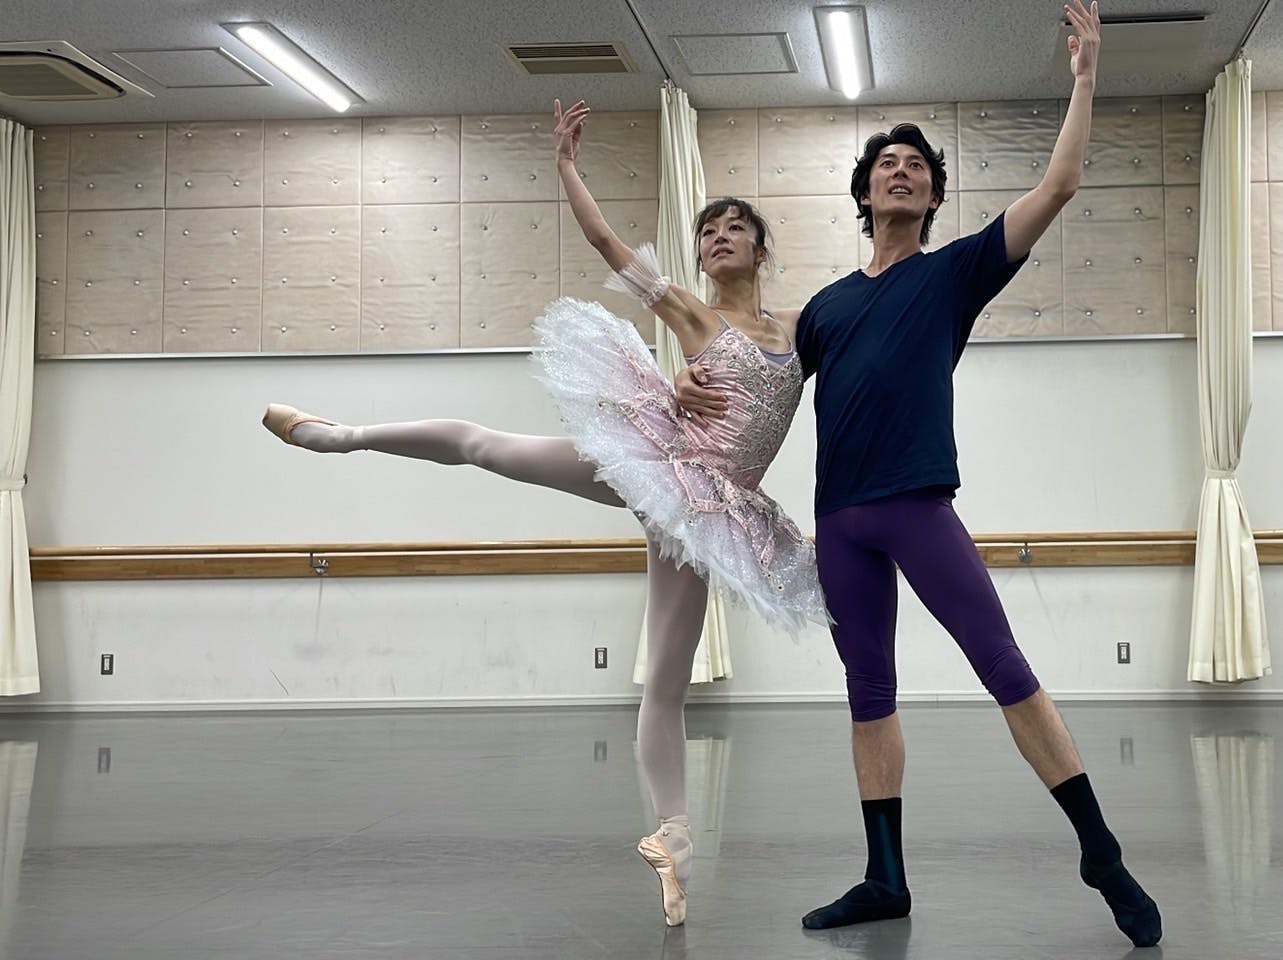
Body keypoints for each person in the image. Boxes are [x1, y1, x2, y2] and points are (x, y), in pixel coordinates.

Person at [260, 98, 824, 928]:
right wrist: (565, 166)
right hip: (664, 467)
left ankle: (673, 840)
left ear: (761, 248)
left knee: (667, 681)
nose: (718, 237)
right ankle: (341, 436)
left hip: (718, 511)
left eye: (734, 227)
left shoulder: (804, 327)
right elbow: (608, 246)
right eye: (708, 230)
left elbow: (869, 322)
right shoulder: (688, 310)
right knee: (490, 447)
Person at [674, 1, 1161, 947]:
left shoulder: (956, 273)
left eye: (918, 168)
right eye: (886, 165)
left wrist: (1087, 77)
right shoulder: (822, 310)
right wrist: (687, 382)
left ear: (933, 197)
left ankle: (1100, 850)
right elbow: (753, 372)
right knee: (869, 692)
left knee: (1003, 666)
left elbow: (1060, 185)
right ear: (864, 194)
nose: (901, 172)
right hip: (840, 524)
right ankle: (884, 878)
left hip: (916, 507)